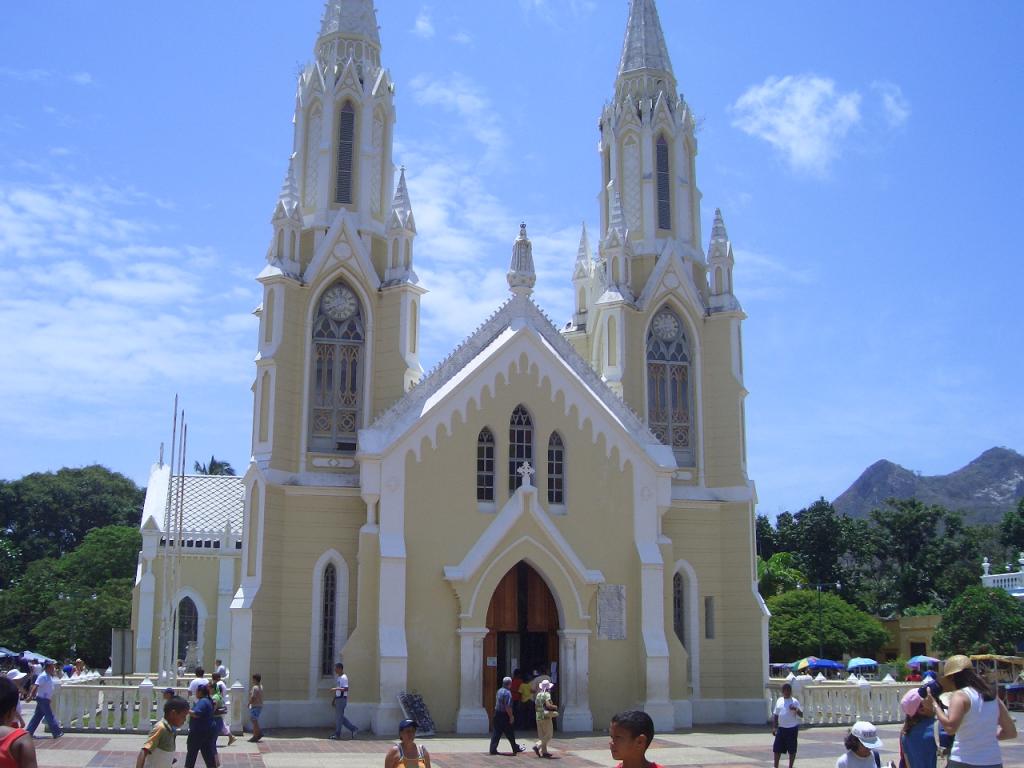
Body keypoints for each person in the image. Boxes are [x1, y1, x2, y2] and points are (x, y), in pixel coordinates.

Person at [928, 654, 1017, 768]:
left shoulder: (961, 696)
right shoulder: (992, 695)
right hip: (992, 761)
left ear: (952, 678)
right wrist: (985, 738)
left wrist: (934, 705)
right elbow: (1010, 732)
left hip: (964, 759)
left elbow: (950, 728)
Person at [136, 696, 188, 768]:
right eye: (183, 716)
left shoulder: (172, 731)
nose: (185, 720)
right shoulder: (160, 728)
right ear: (173, 714)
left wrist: (169, 760)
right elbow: (144, 751)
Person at [899, 688, 939, 768]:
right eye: (929, 698)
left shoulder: (905, 734)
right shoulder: (936, 727)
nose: (933, 699)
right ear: (922, 710)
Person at [25, 661, 62, 740]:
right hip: (42, 699)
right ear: (48, 667)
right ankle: (56, 732)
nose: (53, 669)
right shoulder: (42, 676)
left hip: (45, 699)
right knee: (49, 715)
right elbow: (36, 686)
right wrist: (31, 696)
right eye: (52, 667)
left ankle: (29, 732)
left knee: (37, 716)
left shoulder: (48, 676)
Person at [489, 676, 525, 755]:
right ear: (510, 684)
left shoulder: (499, 691)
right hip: (504, 715)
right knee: (510, 733)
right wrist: (511, 716)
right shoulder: (507, 693)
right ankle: (515, 748)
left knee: (496, 732)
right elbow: (507, 706)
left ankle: (492, 748)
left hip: (497, 713)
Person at [184, 684, 217, 768]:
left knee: (191, 755)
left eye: (196, 692)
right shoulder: (208, 701)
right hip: (207, 732)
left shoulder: (203, 701)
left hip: (198, 733)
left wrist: (185, 710)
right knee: (208, 754)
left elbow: (197, 714)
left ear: (200, 692)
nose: (195, 693)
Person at [772, 682, 803, 768]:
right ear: (782, 691)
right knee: (777, 749)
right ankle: (776, 766)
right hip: (781, 728)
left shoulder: (795, 701)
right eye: (785, 690)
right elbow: (776, 715)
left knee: (792, 750)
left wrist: (795, 709)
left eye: (788, 690)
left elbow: (802, 714)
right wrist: (774, 727)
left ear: (791, 691)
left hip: (792, 728)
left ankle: (790, 766)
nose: (787, 692)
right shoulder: (779, 700)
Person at [330, 662, 358, 740]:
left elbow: (346, 689)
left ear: (340, 668)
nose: (335, 670)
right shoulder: (339, 678)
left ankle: (338, 734)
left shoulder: (344, 678)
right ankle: (353, 729)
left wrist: (335, 689)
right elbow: (339, 690)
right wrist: (334, 699)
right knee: (340, 717)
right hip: (338, 699)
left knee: (339, 717)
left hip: (342, 699)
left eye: (336, 668)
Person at [532, 679, 558, 758]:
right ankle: (538, 745)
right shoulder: (547, 694)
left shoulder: (538, 695)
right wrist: (555, 707)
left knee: (542, 735)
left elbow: (536, 706)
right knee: (549, 735)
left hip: (538, 716)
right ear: (548, 688)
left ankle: (544, 752)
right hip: (545, 717)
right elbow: (548, 705)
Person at [247, 674, 263, 743]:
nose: (252, 681)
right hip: (259, 705)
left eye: (253, 679)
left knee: (254, 721)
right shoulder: (261, 686)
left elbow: (253, 697)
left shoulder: (255, 687)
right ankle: (258, 733)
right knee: (254, 720)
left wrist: (249, 703)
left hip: (255, 706)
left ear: (255, 679)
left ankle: (256, 735)